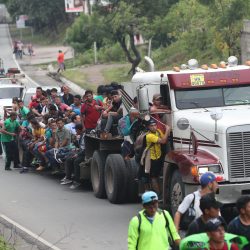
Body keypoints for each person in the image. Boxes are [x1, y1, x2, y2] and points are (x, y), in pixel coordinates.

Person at [139, 118, 170, 195]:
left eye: (155, 125)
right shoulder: (149, 136)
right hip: (151, 159)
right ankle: (158, 195)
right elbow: (163, 141)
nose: (154, 127)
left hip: (158, 157)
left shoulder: (158, 132)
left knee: (156, 176)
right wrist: (168, 130)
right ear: (148, 127)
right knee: (153, 177)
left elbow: (163, 138)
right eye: (151, 126)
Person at [180, 218, 245, 250]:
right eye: (217, 230)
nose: (221, 233)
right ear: (209, 234)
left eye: (222, 229)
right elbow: (186, 245)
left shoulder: (232, 247)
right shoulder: (202, 247)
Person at [61, 124, 85, 189]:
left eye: (76, 130)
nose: (76, 131)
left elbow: (85, 149)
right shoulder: (80, 136)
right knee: (68, 158)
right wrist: (75, 141)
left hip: (84, 154)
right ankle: (68, 177)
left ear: (79, 130)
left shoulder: (85, 137)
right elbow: (79, 147)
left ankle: (77, 181)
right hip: (80, 152)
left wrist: (77, 154)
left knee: (76, 161)